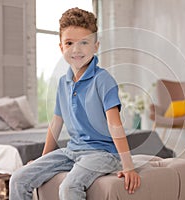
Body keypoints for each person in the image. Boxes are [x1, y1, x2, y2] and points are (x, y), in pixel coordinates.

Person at [9, 7, 141, 200]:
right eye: (69, 43)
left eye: (84, 43)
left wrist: (128, 166)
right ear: (61, 47)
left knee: (69, 187)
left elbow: (115, 125)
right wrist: (43, 159)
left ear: (96, 46)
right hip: (72, 151)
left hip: (103, 154)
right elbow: (55, 125)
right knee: (18, 179)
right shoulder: (63, 83)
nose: (76, 49)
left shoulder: (103, 80)